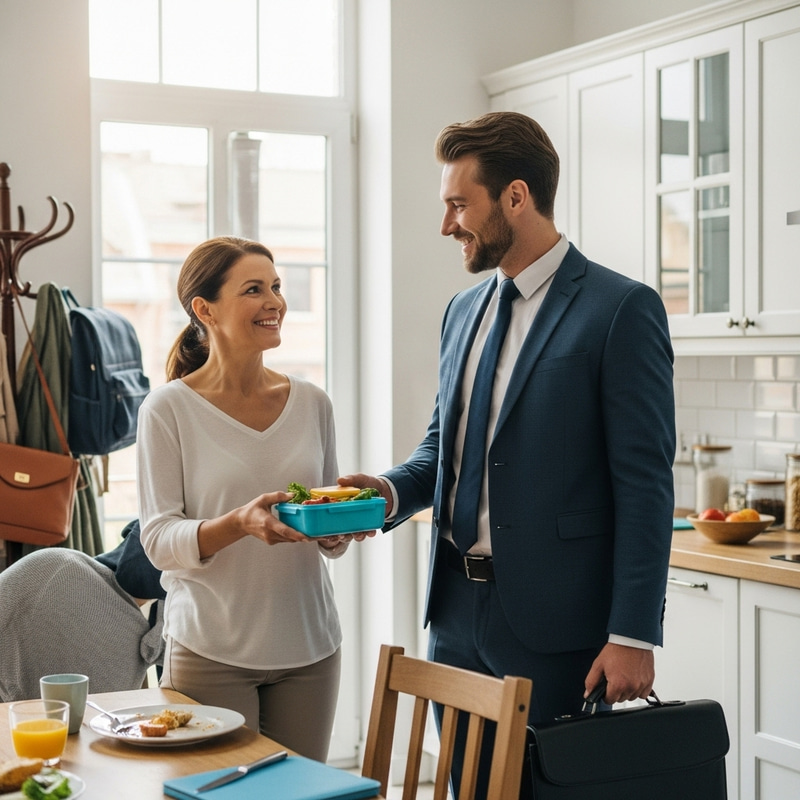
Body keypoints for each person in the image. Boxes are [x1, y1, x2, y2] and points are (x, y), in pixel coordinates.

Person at [340, 112, 675, 791]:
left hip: (558, 630)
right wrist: (378, 496)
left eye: (458, 204)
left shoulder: (620, 309)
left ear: (515, 197)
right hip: (455, 617)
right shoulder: (461, 312)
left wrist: (634, 634)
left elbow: (645, 484)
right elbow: (443, 453)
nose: (446, 225)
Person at [137, 236, 356, 762]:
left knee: (303, 799)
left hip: (311, 650)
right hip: (212, 650)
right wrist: (238, 522)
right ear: (203, 309)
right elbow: (159, 540)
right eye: (253, 289)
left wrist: (337, 530)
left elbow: (327, 522)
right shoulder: (168, 410)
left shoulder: (312, 403)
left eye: (276, 287)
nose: (274, 301)